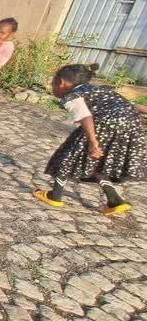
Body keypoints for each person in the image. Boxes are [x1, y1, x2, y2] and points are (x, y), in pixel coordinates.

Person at [33, 63, 147, 215]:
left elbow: (85, 117)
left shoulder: (72, 95)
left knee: (67, 155)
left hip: (102, 124)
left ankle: (55, 196)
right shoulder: (100, 90)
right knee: (97, 161)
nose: (52, 87)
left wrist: (93, 141)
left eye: (52, 83)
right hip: (131, 125)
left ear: (61, 82)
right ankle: (115, 201)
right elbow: (133, 107)